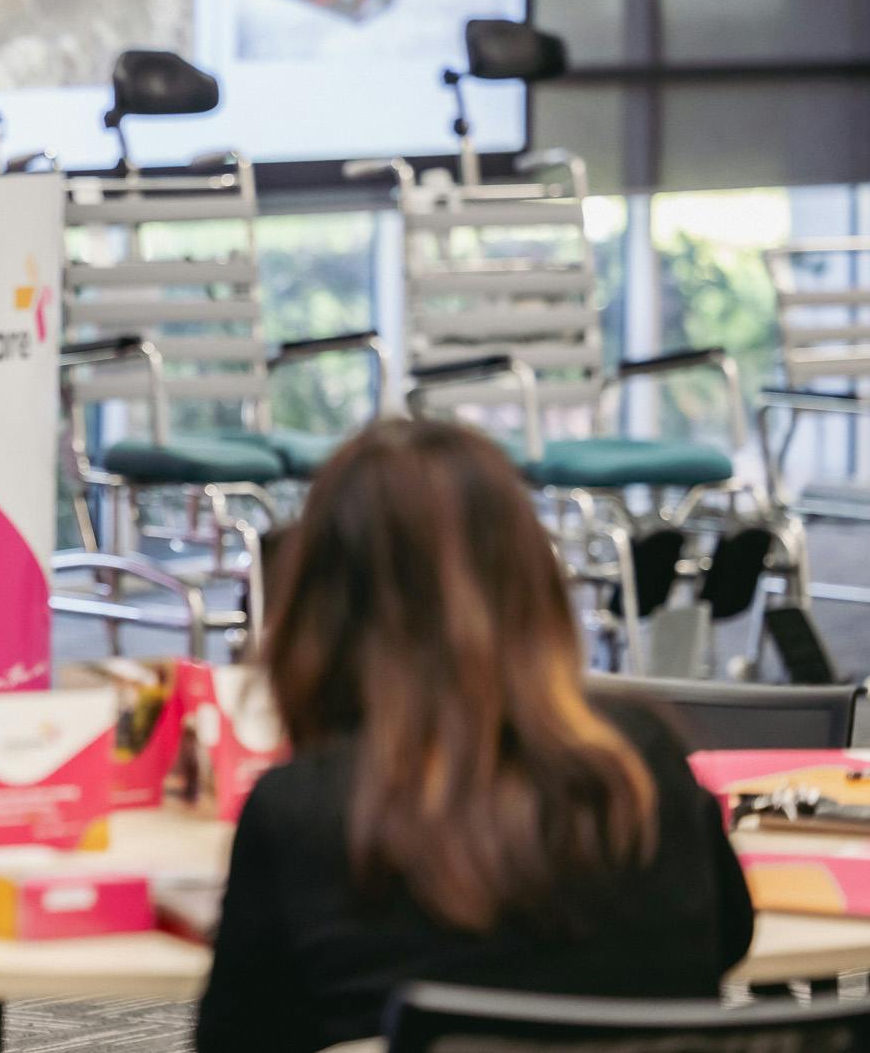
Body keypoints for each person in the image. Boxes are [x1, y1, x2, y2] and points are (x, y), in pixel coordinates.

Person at [198, 419, 754, 1053]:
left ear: (319, 603)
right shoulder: (641, 759)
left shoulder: (301, 811)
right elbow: (727, 939)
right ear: (531, 580)